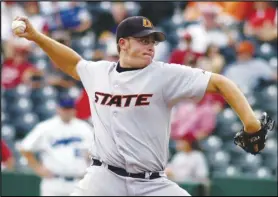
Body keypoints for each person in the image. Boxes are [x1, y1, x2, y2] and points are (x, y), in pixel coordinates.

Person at [13, 15, 266, 196]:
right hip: (104, 179)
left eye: (153, 42)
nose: (151, 46)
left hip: (152, 184)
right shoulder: (99, 72)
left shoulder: (165, 74)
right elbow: (71, 63)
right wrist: (36, 37)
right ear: (122, 43)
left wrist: (251, 123)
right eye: (143, 40)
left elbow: (221, 83)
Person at [19, 97, 94, 196]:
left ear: (74, 110)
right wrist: (37, 168)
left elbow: (95, 152)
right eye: (64, 108)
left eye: (70, 108)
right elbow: (25, 147)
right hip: (53, 182)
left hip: (78, 181)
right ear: (58, 109)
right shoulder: (45, 127)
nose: (67, 111)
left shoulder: (85, 128)